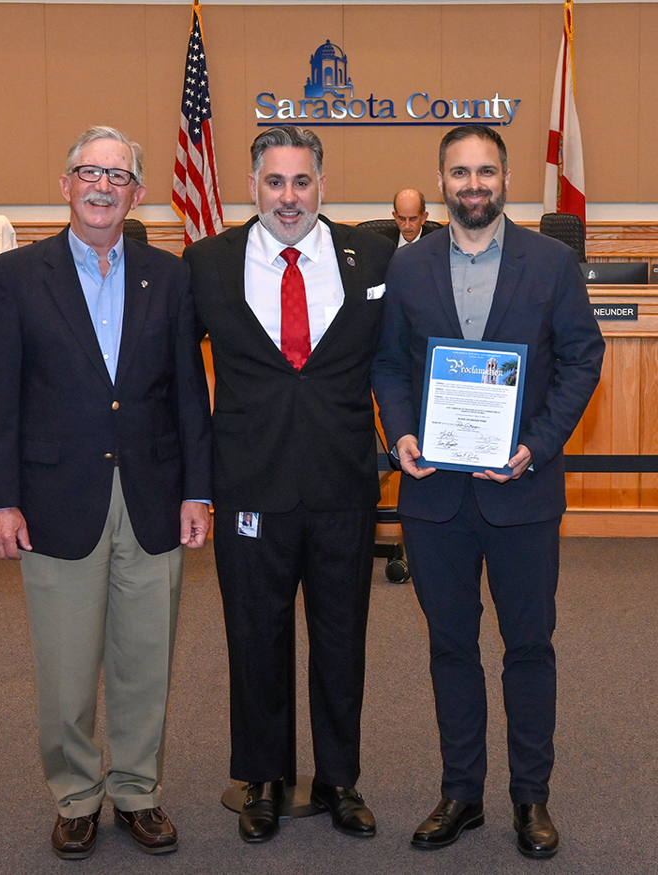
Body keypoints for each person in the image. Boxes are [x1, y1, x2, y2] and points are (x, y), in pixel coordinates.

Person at [0, 126, 212, 860]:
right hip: (52, 500)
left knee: (145, 660)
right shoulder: (16, 276)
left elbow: (188, 395)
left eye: (118, 175)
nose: (103, 186)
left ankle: (138, 790)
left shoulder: (169, 277)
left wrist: (197, 490)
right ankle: (76, 795)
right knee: (67, 665)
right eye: (89, 171)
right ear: (66, 183)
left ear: (138, 193)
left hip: (152, 494)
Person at [371, 125, 604, 859]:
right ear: (440, 180)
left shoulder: (552, 262)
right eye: (460, 172)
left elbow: (582, 358)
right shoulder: (408, 268)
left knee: (529, 646)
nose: (474, 184)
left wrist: (536, 442)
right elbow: (388, 367)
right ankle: (461, 792)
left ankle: (530, 797)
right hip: (434, 496)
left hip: (522, 496)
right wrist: (403, 432)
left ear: (504, 179)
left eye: (486, 172)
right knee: (450, 647)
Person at [184, 125, 394, 843]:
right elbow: (183, 382)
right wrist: (193, 483)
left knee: (343, 638)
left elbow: (395, 356)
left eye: (301, 182)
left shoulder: (373, 253)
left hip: (343, 484)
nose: (288, 197)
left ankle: (340, 778)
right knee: (255, 636)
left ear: (322, 186)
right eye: (275, 182)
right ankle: (264, 777)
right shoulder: (208, 262)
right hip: (250, 486)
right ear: (253, 186)